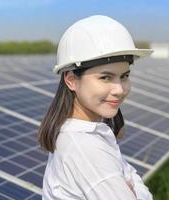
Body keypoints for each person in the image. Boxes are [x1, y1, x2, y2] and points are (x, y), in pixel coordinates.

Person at [38, 15, 153, 200]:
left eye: (124, 76)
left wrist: (134, 187)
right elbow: (133, 181)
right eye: (105, 77)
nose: (119, 89)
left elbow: (130, 174)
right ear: (71, 80)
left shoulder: (86, 134)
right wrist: (134, 189)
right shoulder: (85, 149)